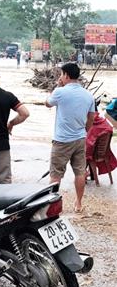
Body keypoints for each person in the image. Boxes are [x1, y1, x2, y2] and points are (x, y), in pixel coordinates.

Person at [45, 62, 95, 213]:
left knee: (55, 174)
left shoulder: (60, 92)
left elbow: (47, 103)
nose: (60, 77)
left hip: (62, 140)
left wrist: (58, 86)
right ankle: (78, 203)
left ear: (66, 75)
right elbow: (91, 117)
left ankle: (51, 206)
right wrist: (84, 131)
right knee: (80, 172)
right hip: (80, 139)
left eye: (61, 74)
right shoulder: (88, 95)